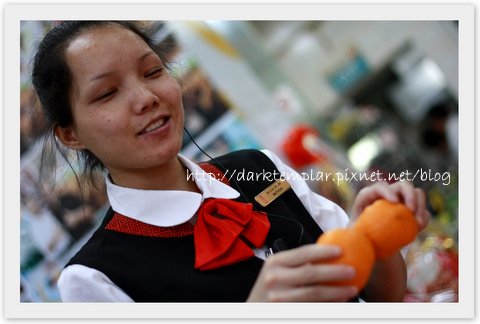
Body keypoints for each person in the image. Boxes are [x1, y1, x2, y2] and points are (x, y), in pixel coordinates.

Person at [31, 20, 430, 302]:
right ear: (71, 133)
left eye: (153, 71)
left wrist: (372, 237)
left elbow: (382, 298)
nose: (146, 97)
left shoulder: (258, 167)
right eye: (107, 94)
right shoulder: (95, 276)